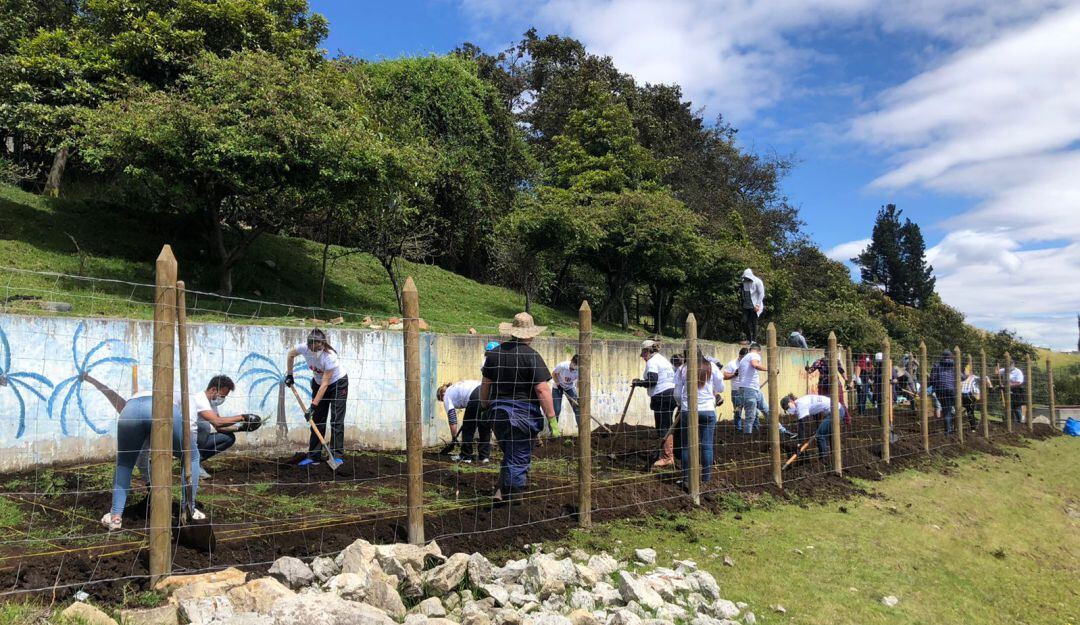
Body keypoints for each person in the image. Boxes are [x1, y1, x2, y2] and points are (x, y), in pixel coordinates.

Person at [481, 312, 558, 504]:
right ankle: (513, 498)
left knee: (510, 452)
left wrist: (485, 406)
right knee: (520, 456)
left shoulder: (494, 354)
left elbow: (485, 383)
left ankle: (500, 490)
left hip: (498, 413)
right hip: (523, 415)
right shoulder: (531, 356)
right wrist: (552, 419)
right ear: (530, 334)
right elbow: (542, 390)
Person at [285, 329, 348, 467]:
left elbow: (326, 384)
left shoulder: (329, 356)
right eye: (315, 346)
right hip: (318, 384)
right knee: (318, 420)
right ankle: (314, 456)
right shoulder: (304, 348)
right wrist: (290, 375)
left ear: (323, 343)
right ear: (309, 344)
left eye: (320, 346)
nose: (318, 349)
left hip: (337, 384)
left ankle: (337, 456)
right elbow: (290, 355)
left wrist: (312, 406)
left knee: (336, 419)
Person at [673, 351, 725, 487]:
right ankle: (706, 479)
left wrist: (681, 404)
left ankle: (686, 478)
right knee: (707, 446)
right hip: (707, 410)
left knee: (686, 446)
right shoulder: (712, 366)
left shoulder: (682, 369)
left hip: (688, 411)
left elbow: (677, 393)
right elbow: (721, 387)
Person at [632, 340, 678, 468]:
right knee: (666, 425)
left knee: (663, 427)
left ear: (647, 351)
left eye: (643, 354)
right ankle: (665, 454)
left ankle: (667, 457)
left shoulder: (652, 362)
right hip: (671, 395)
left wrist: (639, 383)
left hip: (662, 396)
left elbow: (652, 380)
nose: (643, 358)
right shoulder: (662, 359)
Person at [437, 380, 489, 463]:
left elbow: (452, 418)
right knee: (484, 426)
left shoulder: (446, 395)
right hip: (487, 391)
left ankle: (465, 455)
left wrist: (454, 437)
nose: (443, 402)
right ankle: (484, 457)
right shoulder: (456, 387)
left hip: (475, 395)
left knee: (468, 428)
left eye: (441, 400)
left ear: (441, 395)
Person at [780, 393, 843, 458]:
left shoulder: (801, 405)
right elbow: (816, 411)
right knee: (828, 433)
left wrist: (799, 444)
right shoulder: (799, 402)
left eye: (788, 407)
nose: (788, 410)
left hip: (836, 411)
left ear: (791, 401)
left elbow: (802, 427)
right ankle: (833, 456)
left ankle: (824, 458)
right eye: (786, 410)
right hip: (836, 409)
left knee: (820, 435)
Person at [929, 350, 958, 434]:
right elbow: (961, 377)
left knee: (946, 410)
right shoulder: (955, 365)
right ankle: (952, 428)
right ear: (951, 357)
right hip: (952, 390)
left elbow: (932, 379)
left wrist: (935, 386)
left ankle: (948, 431)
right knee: (952, 409)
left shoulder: (937, 365)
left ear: (942, 356)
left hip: (941, 390)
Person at [722, 347, 749, 430]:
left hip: (748, 390)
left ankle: (753, 429)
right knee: (738, 412)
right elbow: (724, 376)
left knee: (751, 411)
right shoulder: (732, 364)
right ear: (739, 356)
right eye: (741, 357)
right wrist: (734, 375)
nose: (743, 359)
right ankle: (738, 429)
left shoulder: (750, 363)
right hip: (736, 391)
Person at [551, 355, 581, 427]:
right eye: (574, 363)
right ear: (572, 361)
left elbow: (578, 384)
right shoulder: (562, 366)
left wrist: (578, 396)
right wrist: (558, 385)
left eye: (577, 365)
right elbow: (553, 374)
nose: (575, 366)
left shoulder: (578, 371)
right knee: (557, 410)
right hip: (557, 388)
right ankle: (552, 432)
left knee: (577, 408)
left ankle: (581, 431)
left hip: (569, 388)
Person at [739, 268, 765, 343]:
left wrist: (757, 305)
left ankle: (754, 340)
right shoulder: (744, 282)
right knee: (744, 322)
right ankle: (749, 339)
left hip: (755, 305)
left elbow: (761, 294)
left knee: (754, 323)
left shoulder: (758, 281)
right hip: (746, 305)